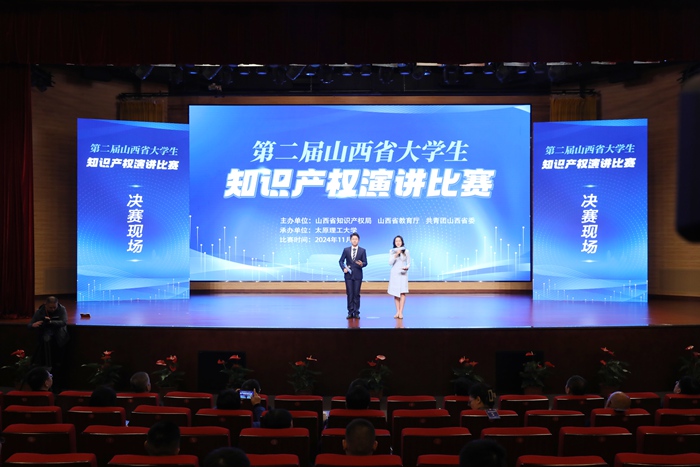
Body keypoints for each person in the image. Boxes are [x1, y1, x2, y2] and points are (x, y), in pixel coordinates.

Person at [29, 296, 69, 383]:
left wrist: (50, 322)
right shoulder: (40, 311)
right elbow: (30, 325)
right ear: (45, 305)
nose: (53, 309)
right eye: (50, 308)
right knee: (45, 363)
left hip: (59, 340)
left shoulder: (62, 309)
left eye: (55, 307)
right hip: (44, 341)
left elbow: (63, 322)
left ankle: (58, 383)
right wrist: (34, 325)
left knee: (58, 363)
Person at [338, 232, 367, 319]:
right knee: (350, 293)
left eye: (356, 239)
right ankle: (350, 312)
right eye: (353, 239)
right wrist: (343, 268)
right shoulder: (346, 250)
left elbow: (365, 262)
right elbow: (341, 261)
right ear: (350, 240)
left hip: (358, 275)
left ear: (359, 240)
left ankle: (356, 312)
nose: (354, 240)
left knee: (356, 294)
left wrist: (362, 264)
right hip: (348, 276)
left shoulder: (362, 250)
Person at [387, 235, 410, 319]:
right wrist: (396, 254)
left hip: (403, 273)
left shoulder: (406, 251)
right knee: (396, 292)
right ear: (394, 242)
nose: (398, 242)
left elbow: (408, 262)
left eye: (399, 241)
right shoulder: (392, 251)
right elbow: (390, 263)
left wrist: (407, 267)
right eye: (396, 241)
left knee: (402, 292)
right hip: (395, 273)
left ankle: (401, 312)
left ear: (402, 242)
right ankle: (397, 311)